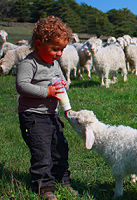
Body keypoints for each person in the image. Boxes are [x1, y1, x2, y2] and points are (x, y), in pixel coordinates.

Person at [16, 16, 77, 200]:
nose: (59, 53)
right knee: (42, 152)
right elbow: (22, 86)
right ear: (39, 43)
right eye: (55, 49)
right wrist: (47, 92)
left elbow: (60, 80)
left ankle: (63, 181)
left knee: (60, 148)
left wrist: (63, 85)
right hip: (33, 117)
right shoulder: (29, 63)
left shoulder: (54, 63)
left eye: (62, 49)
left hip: (52, 115)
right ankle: (44, 187)